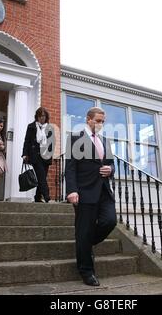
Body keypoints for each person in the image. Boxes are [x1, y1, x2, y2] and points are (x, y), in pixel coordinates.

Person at [65, 107, 116, 286]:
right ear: (88, 120)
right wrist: (71, 190)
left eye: (103, 121)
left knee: (110, 221)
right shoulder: (75, 138)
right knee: (84, 230)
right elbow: (70, 167)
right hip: (84, 191)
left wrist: (111, 170)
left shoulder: (104, 140)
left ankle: (85, 244)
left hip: (104, 191)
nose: (101, 124)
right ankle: (86, 271)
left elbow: (111, 164)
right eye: (98, 120)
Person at [22, 107, 55, 203]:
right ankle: (47, 197)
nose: (42, 118)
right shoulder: (31, 126)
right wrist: (25, 154)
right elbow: (27, 141)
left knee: (42, 177)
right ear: (37, 116)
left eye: (44, 116)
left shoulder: (49, 128)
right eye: (40, 116)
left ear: (46, 117)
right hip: (35, 156)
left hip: (46, 156)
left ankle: (37, 197)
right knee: (41, 176)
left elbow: (52, 142)